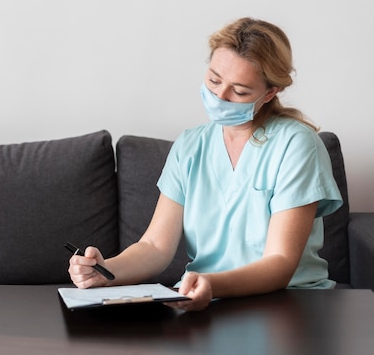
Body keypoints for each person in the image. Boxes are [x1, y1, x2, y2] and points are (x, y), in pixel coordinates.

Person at [68, 17, 343, 311]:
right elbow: (154, 247)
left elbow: (280, 263)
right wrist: (105, 272)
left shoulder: (296, 145)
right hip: (203, 299)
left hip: (286, 302)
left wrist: (211, 285)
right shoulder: (190, 145)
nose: (220, 96)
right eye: (214, 79)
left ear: (270, 92)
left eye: (239, 91)